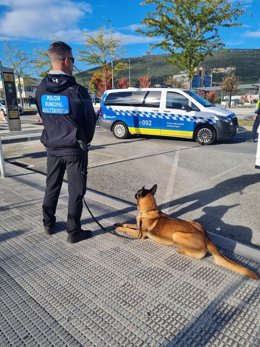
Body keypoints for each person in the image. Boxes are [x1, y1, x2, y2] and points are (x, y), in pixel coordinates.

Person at [35, 41, 96, 243]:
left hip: (52, 147)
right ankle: (73, 231)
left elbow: (43, 116)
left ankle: (47, 222)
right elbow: (89, 122)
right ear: (67, 60)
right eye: (73, 60)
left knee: (52, 186)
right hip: (74, 150)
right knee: (75, 191)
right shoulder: (78, 91)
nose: (73, 64)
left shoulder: (40, 89)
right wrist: (84, 141)